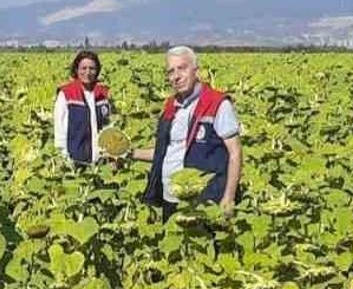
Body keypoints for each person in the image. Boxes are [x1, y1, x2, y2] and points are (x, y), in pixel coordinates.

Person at [130, 45, 242, 218]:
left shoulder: (217, 103)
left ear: (196, 70)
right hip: (171, 196)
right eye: (171, 71)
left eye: (182, 68)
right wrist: (129, 153)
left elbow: (235, 153)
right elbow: (164, 152)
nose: (176, 76)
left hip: (205, 199)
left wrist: (228, 197)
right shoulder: (170, 106)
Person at [53, 50, 113, 164]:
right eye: (83, 68)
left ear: (97, 71)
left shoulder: (104, 93)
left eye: (92, 68)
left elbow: (110, 126)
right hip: (75, 161)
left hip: (102, 161)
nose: (88, 72)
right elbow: (60, 130)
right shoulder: (66, 93)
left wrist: (112, 155)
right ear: (77, 70)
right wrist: (64, 159)